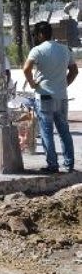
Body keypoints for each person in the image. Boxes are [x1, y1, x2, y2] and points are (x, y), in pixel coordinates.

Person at [23, 21, 78, 173]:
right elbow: (74, 71)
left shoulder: (37, 50)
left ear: (41, 35)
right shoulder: (64, 49)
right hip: (61, 97)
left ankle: (52, 165)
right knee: (64, 132)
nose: (35, 37)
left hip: (44, 96)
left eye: (35, 34)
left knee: (47, 132)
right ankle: (69, 164)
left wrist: (32, 84)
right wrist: (64, 85)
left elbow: (26, 68)